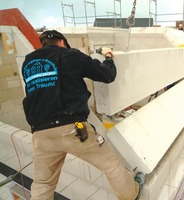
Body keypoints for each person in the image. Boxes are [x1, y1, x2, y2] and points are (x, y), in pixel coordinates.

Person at [21, 30, 144, 200]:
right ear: (62, 42)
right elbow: (107, 75)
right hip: (71, 129)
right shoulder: (70, 55)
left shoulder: (28, 63)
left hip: (40, 134)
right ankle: (132, 194)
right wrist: (108, 56)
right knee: (111, 165)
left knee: (43, 183)